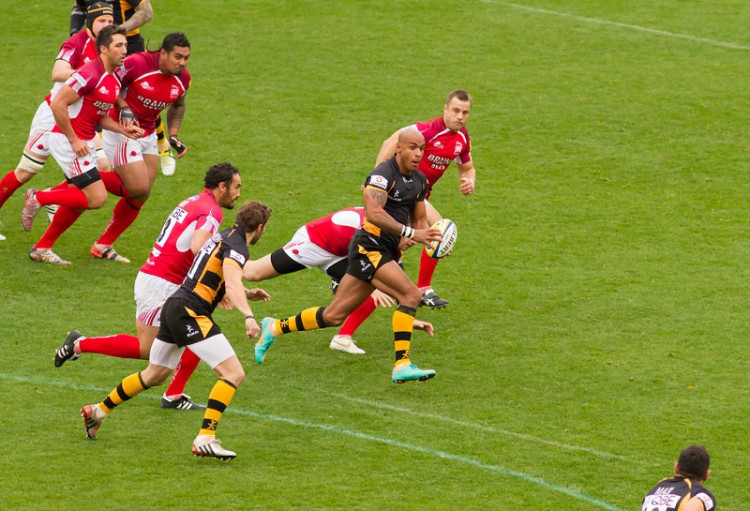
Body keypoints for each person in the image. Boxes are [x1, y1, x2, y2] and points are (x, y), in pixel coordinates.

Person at [80, 200, 272, 461]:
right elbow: (231, 280)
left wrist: (246, 293)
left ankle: (97, 412)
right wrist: (248, 315)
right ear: (260, 227)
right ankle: (206, 438)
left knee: (154, 374)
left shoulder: (223, 235)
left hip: (174, 306)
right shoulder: (237, 246)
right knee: (233, 373)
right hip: (190, 312)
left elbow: (214, 275)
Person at [54, 163, 252, 411]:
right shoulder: (213, 212)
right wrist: (219, 281)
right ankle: (79, 345)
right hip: (163, 284)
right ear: (222, 186)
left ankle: (174, 395)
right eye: (236, 187)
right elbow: (197, 247)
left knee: (196, 328)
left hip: (161, 278)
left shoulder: (193, 201)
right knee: (152, 347)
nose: (238, 193)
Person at [253, 126, 443, 384]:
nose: (418, 153)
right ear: (398, 148)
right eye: (412, 147)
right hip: (369, 246)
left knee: (334, 316)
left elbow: (420, 221)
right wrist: (410, 231)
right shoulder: (381, 176)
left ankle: (274, 327)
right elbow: (373, 213)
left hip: (386, 249)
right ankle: (402, 364)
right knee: (410, 294)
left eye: (421, 148)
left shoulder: (419, 181)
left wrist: (433, 242)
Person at [21, 25, 143, 265]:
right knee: (96, 198)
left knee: (82, 198)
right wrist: (73, 139)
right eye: (119, 46)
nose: (124, 50)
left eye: (126, 45)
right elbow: (57, 103)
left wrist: (122, 129)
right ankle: (39, 198)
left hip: (83, 140)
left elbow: (97, 115)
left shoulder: (112, 78)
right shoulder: (88, 74)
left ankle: (42, 248)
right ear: (104, 49)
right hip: (69, 142)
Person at [242, 206, 434, 354]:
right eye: (412, 236)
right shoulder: (372, 230)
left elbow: (399, 288)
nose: (413, 242)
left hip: (342, 254)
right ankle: (223, 250)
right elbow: (362, 262)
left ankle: (274, 327)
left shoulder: (393, 244)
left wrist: (409, 317)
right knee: (252, 273)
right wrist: (372, 282)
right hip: (315, 242)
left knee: (336, 316)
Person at [0, 2, 115, 240]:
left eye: (110, 21)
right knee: (28, 169)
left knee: (102, 167)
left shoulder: (107, 47)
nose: (107, 25)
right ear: (90, 22)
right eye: (102, 21)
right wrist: (86, 73)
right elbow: (58, 72)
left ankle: (51, 198)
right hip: (55, 113)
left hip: (82, 116)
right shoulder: (76, 44)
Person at [90, 31, 192, 263]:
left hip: (147, 134)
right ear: (163, 52)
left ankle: (103, 245)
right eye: (178, 57)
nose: (182, 63)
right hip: (121, 128)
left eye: (186, 58)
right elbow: (109, 81)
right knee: (138, 187)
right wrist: (124, 106)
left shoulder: (183, 78)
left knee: (141, 195)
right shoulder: (137, 64)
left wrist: (174, 135)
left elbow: (179, 104)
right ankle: (78, 178)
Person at [376, 89, 477, 309]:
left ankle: (354, 269)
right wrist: (376, 180)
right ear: (445, 109)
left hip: (420, 195)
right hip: (402, 192)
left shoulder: (462, 138)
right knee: (439, 231)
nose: (460, 116)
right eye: (456, 111)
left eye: (465, 112)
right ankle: (423, 288)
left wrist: (469, 181)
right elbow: (390, 142)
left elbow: (467, 168)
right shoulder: (426, 130)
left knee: (405, 240)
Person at [70, 0, 176, 176]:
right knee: (100, 95)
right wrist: (74, 33)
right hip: (99, 44)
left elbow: (146, 12)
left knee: (141, 101)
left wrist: (116, 34)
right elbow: (80, 8)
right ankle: (100, 148)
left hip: (128, 45)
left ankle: (162, 145)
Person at [641, 445, 716, 511]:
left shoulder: (657, 488)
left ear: (676, 467)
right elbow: (693, 507)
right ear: (706, 475)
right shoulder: (701, 495)